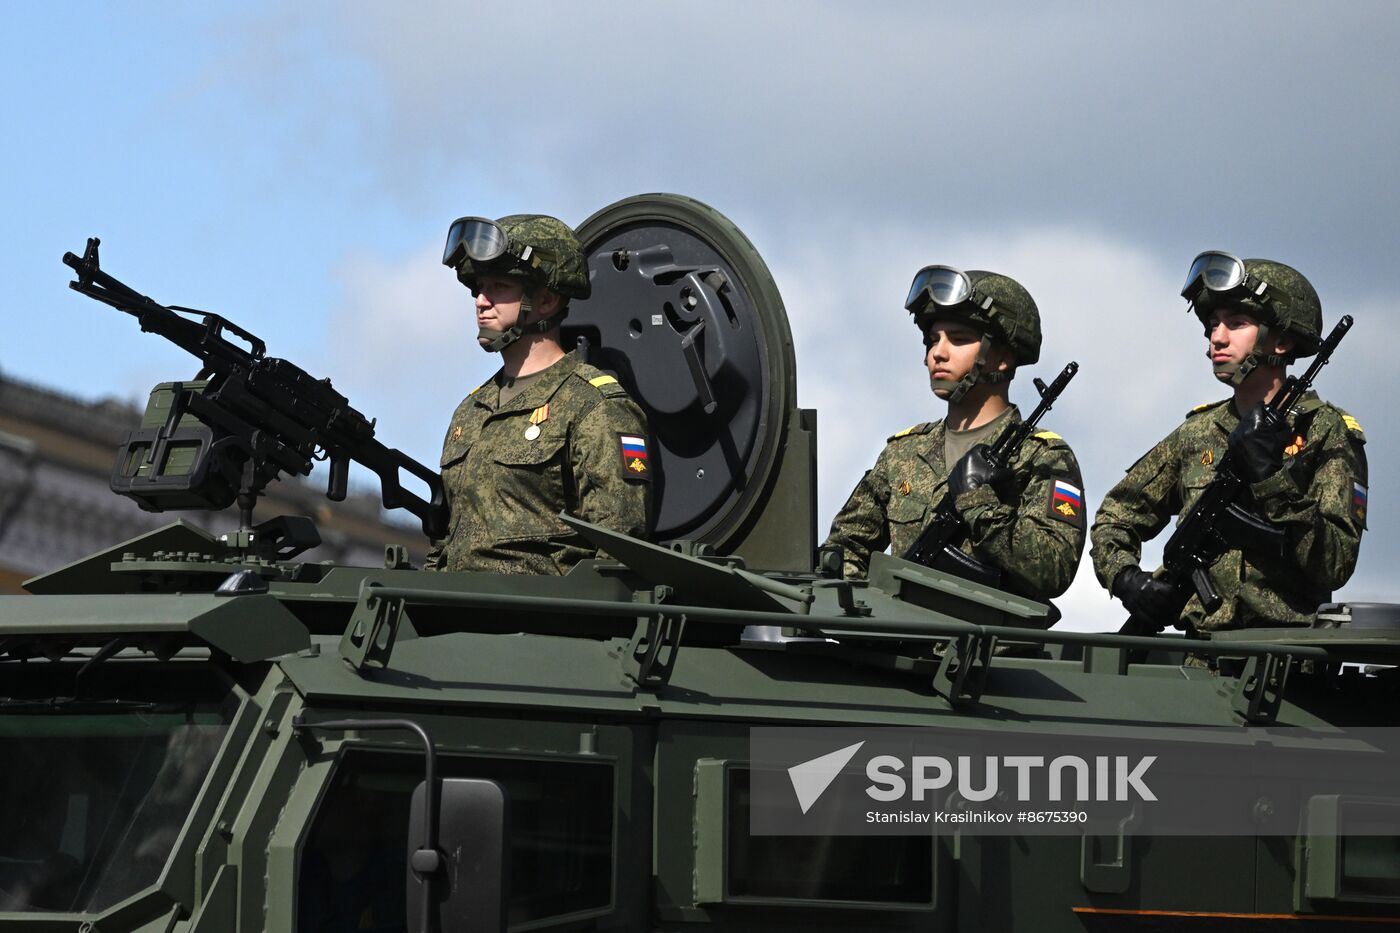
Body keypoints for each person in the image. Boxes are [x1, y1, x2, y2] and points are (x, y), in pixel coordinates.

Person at [1091, 253, 1367, 632]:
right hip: (1197, 656)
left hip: (1283, 659)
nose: (1217, 337)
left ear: (1281, 341)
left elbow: (1335, 563)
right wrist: (1126, 579)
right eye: (1213, 324)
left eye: (1236, 323)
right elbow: (1116, 516)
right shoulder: (1198, 432)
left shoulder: (1325, 432)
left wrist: (1270, 479)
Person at [824, 266, 1085, 603]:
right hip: (898, 649)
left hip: (989, 653)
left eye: (958, 339)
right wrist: (871, 614)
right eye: (934, 339)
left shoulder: (1041, 457)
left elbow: (1053, 569)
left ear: (1002, 358)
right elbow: (843, 549)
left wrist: (977, 501)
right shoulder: (903, 454)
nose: (938, 352)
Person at [424, 214, 651, 574]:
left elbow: (618, 548)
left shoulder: (595, 407)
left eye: (499, 286)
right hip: (456, 615)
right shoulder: (471, 411)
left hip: (540, 620)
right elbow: (446, 542)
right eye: (479, 287)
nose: (481, 301)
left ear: (545, 300)